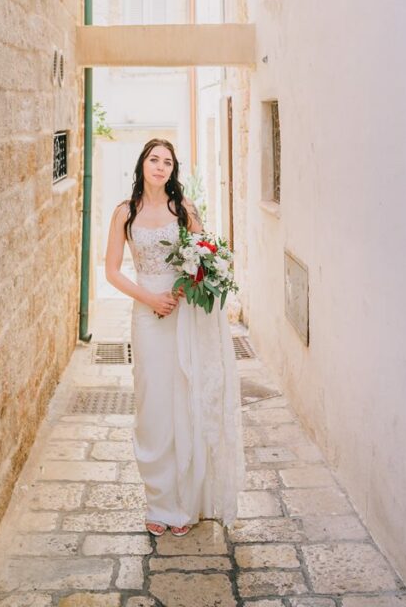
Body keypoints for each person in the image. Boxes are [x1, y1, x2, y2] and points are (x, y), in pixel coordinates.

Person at [104, 138, 245, 537]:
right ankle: (158, 503)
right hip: (148, 314)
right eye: (154, 159)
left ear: (173, 170)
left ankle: (184, 504)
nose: (161, 166)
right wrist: (151, 298)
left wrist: (183, 288)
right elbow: (112, 271)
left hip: (183, 312)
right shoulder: (123, 213)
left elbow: (204, 258)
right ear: (142, 164)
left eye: (168, 161)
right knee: (153, 406)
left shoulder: (182, 210)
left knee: (185, 399)